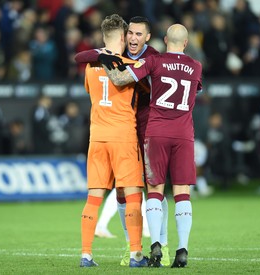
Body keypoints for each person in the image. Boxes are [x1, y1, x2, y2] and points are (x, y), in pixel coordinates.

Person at [99, 24, 202, 268]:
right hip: (183, 134)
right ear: (186, 43)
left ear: (165, 40)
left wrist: (104, 60)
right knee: (182, 193)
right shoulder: (196, 67)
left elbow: (121, 79)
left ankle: (155, 244)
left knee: (154, 189)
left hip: (156, 132)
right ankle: (182, 250)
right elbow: (195, 91)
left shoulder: (155, 61)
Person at [75, 16, 170, 267]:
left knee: (93, 197)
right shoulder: (130, 67)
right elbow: (148, 90)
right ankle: (136, 254)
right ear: (122, 37)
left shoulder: (90, 66)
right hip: (124, 137)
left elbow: (89, 89)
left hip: (97, 137)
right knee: (133, 196)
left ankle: (86, 255)